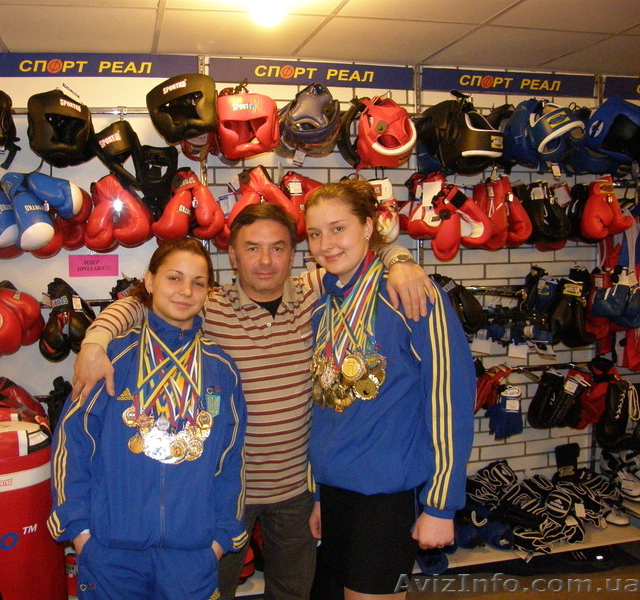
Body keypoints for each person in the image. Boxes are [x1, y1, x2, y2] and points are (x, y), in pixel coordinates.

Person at [72, 202, 436, 600]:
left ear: (293, 254)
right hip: (226, 494)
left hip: (296, 490)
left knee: (293, 592)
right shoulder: (207, 302)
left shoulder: (314, 293)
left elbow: (361, 252)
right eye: (252, 248)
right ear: (232, 255)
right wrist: (94, 342)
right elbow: (138, 302)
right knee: (215, 590)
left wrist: (400, 260)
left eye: (277, 248)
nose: (265, 261)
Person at [48, 237, 248, 600]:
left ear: (208, 292)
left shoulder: (221, 369)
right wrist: (80, 535)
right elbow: (72, 444)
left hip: (192, 557)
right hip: (111, 554)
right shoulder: (111, 358)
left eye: (198, 283)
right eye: (174, 278)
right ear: (150, 281)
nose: (185, 291)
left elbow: (229, 459)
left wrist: (219, 540)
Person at [303, 179, 475, 600]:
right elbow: (325, 405)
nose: (326, 244)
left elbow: (449, 401)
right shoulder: (324, 306)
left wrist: (440, 505)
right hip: (336, 494)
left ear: (367, 227)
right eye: (314, 233)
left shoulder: (412, 295)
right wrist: (319, 493)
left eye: (338, 228)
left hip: (386, 499)